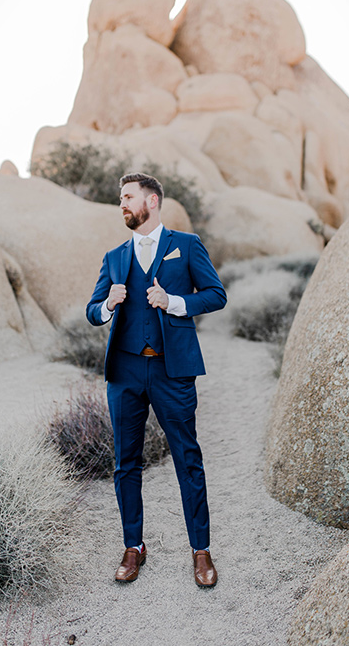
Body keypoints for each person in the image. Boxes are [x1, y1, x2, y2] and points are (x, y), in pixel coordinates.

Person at [86, 172, 227, 587]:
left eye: (128, 197)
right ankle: (134, 547)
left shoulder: (186, 246)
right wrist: (107, 306)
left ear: (152, 201)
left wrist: (176, 302)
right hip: (125, 373)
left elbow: (216, 294)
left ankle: (200, 550)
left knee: (188, 457)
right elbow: (92, 310)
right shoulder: (114, 256)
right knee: (125, 462)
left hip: (173, 371)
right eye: (120, 199)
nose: (122, 204)